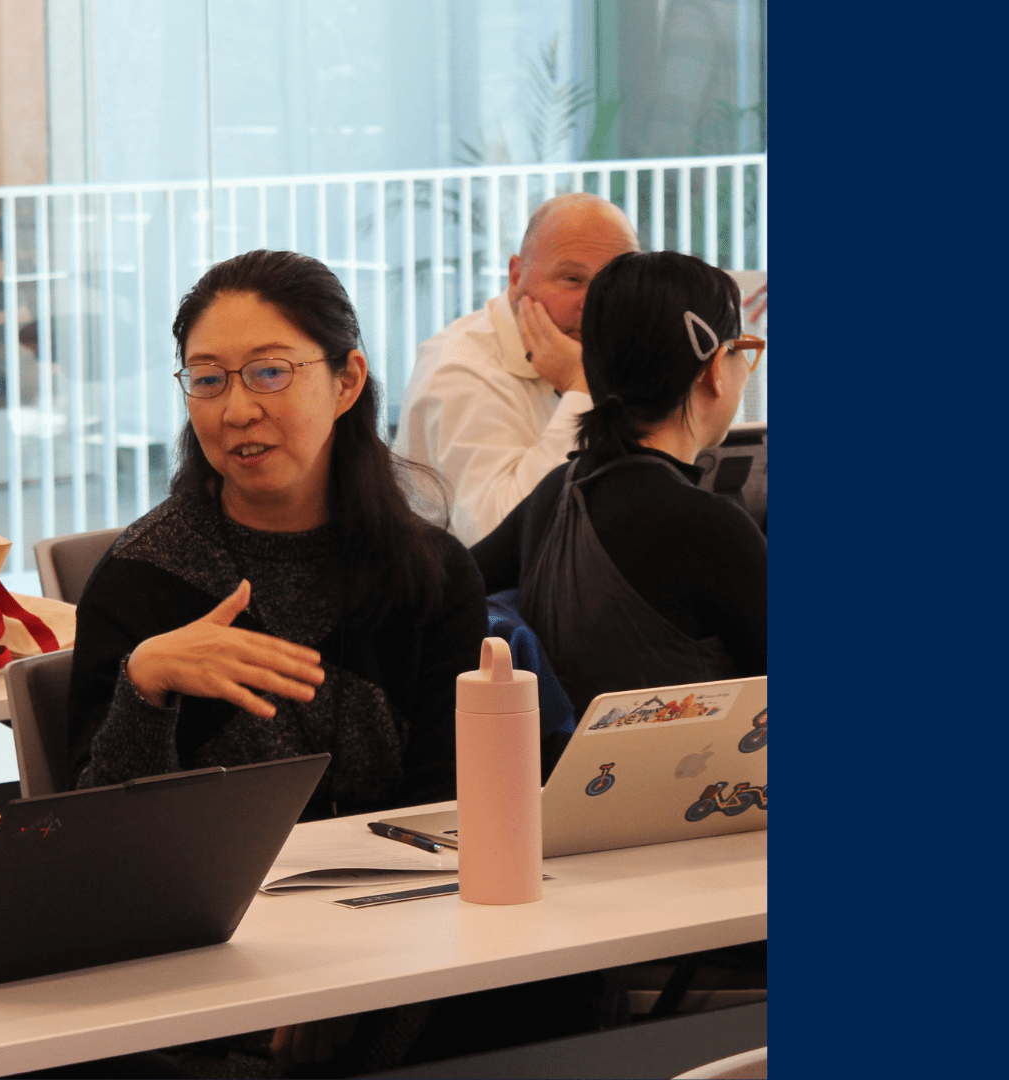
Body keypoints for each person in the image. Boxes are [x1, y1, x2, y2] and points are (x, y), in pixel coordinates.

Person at [63, 250, 486, 1076]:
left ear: (347, 380)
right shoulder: (147, 579)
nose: (236, 409)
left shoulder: (428, 574)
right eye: (208, 380)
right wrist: (145, 686)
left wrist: (346, 982)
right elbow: (93, 857)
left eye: (269, 373)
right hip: (201, 963)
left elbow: (447, 813)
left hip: (399, 939)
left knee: (561, 997)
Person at [471, 250, 768, 734]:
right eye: (743, 351)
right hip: (694, 801)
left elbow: (450, 588)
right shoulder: (708, 529)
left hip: (564, 799)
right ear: (715, 369)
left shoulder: (555, 494)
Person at [395, 192, 640, 545]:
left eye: (613, 282)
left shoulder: (607, 349)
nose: (594, 302)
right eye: (572, 279)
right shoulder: (458, 369)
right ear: (515, 277)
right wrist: (580, 388)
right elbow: (495, 535)